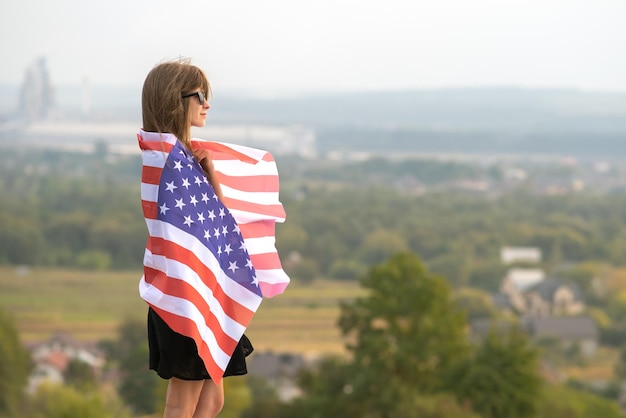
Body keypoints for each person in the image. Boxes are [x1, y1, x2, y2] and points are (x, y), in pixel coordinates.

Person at [140, 59, 253, 418]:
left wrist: (211, 178)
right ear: (176, 100)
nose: (207, 104)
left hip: (201, 294)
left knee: (213, 400)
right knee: (181, 403)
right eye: (200, 95)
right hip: (184, 295)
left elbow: (216, 224)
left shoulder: (183, 158)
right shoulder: (164, 158)